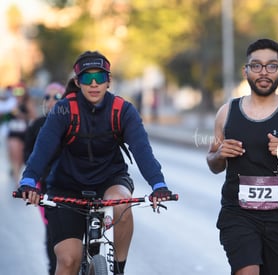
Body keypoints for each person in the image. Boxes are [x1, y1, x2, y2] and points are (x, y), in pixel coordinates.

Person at [18, 51, 173, 275]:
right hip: (66, 185)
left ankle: (118, 269)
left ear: (108, 81)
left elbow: (142, 151)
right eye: (86, 78)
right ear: (77, 82)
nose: (93, 84)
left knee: (120, 202)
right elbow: (43, 148)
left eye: (99, 78)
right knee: (69, 260)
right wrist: (29, 181)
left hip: (110, 179)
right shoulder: (63, 109)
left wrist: (158, 186)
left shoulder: (123, 110)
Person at [206, 38, 278, 275]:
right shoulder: (227, 112)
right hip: (237, 214)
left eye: (271, 66)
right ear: (246, 70)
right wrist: (220, 154)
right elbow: (213, 163)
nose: (263, 72)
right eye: (256, 65)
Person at [23, 82, 65, 275]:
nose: (51, 101)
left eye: (56, 97)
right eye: (47, 97)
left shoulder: (74, 125)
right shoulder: (38, 125)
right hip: (46, 188)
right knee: (52, 233)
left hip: (73, 186)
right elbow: (27, 155)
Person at [7, 83, 37, 186]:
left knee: (20, 156)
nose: (18, 93)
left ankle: (18, 174)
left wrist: (22, 115)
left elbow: (33, 116)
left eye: (20, 91)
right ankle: (16, 178)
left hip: (24, 132)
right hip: (13, 131)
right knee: (13, 154)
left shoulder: (27, 102)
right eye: (16, 91)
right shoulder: (11, 102)